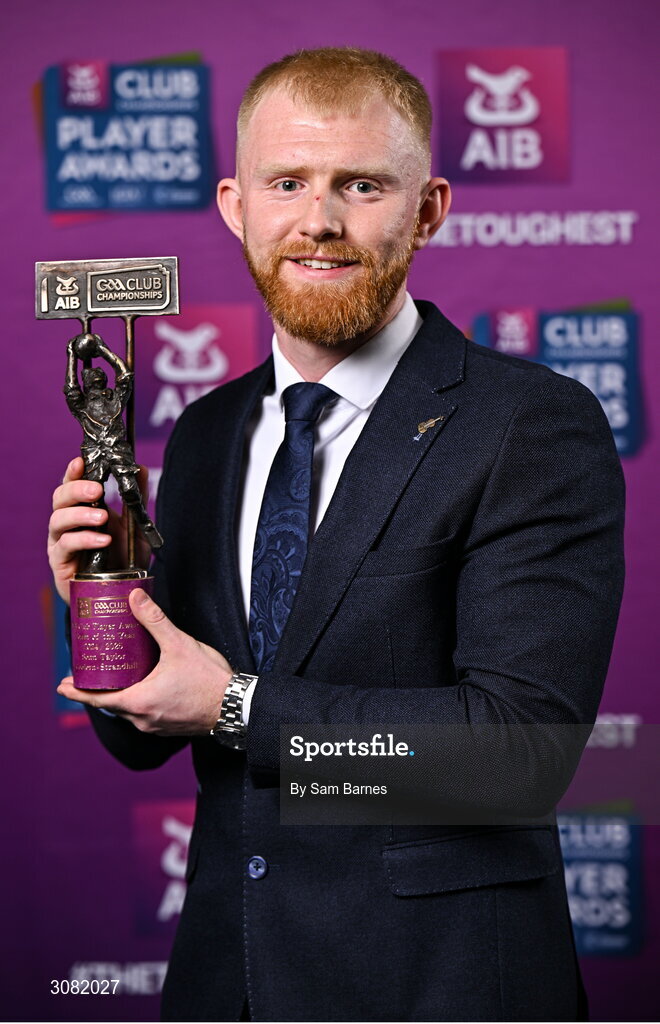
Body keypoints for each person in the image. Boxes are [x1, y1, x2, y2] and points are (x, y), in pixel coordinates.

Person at [48, 47, 625, 1022]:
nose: (319, 220)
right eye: (288, 182)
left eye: (361, 184)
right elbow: (146, 739)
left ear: (429, 208)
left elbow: (518, 752)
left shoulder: (529, 423)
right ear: (236, 205)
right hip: (224, 985)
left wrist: (233, 704)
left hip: (436, 990)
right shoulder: (204, 432)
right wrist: (105, 615)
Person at [63, 330, 163, 569]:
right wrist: (71, 355)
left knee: (130, 490)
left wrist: (104, 349)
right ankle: (98, 555)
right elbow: (69, 387)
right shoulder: (81, 405)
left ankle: (145, 526)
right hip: (95, 454)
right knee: (94, 505)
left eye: (100, 373)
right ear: (86, 383)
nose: (96, 375)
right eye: (91, 375)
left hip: (118, 450)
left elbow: (125, 374)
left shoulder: (116, 398)